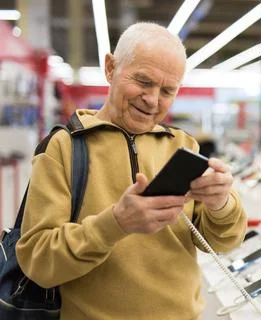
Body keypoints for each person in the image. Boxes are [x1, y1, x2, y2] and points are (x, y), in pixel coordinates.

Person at [16, 22, 247, 320]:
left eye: (167, 90)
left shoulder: (182, 146)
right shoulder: (63, 148)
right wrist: (114, 224)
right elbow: (38, 262)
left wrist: (221, 203)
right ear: (111, 68)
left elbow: (223, 242)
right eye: (143, 81)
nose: (152, 100)